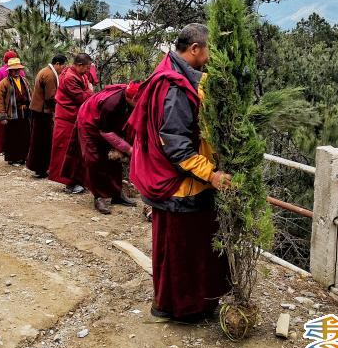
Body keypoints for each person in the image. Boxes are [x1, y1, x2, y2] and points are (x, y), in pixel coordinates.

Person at [128, 24, 232, 322]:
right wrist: (210, 175)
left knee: (189, 249)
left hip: (185, 182)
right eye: (209, 49)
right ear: (195, 50)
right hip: (181, 185)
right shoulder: (175, 87)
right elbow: (176, 146)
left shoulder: (178, 74)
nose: (211, 55)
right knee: (184, 252)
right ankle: (183, 309)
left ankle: (193, 303)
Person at [75, 82, 141, 214]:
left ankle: (117, 193)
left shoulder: (129, 98)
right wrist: (129, 149)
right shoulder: (112, 104)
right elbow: (105, 131)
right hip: (89, 123)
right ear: (131, 99)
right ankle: (99, 197)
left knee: (115, 157)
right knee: (94, 160)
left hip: (108, 127)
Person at [48, 53, 94, 193]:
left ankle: (77, 180)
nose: (88, 71)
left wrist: (88, 90)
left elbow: (87, 89)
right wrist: (90, 91)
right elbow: (81, 97)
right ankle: (69, 183)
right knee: (65, 151)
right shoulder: (69, 77)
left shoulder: (79, 75)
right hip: (66, 118)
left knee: (76, 151)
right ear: (79, 65)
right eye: (86, 68)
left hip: (74, 118)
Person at [26, 55, 67, 178]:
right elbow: (50, 97)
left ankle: (39, 167)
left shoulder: (45, 71)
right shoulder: (49, 75)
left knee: (38, 141)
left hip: (38, 110)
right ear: (58, 64)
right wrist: (58, 111)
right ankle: (41, 168)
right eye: (63, 66)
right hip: (42, 112)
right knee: (43, 141)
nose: (63, 69)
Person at [0, 57, 31, 166]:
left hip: (24, 113)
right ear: (10, 71)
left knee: (24, 135)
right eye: (14, 70)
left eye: (18, 69)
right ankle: (13, 158)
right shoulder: (3, 83)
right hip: (11, 113)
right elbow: (0, 100)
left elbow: (30, 95)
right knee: (13, 137)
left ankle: (23, 157)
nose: (16, 72)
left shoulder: (24, 81)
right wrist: (3, 116)